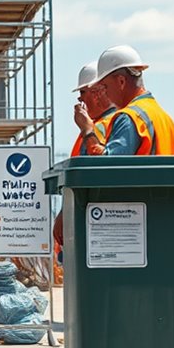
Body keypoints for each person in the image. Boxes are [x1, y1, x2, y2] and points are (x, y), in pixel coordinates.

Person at [54, 61, 118, 247]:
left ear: (99, 90)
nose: (80, 100)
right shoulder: (101, 124)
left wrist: (65, 213)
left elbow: (92, 173)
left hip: (94, 220)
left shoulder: (101, 127)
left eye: (83, 92)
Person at [75, 45, 174, 156]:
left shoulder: (130, 118)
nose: (105, 93)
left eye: (105, 86)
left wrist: (88, 131)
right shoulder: (164, 118)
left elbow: (106, 166)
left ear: (121, 82)